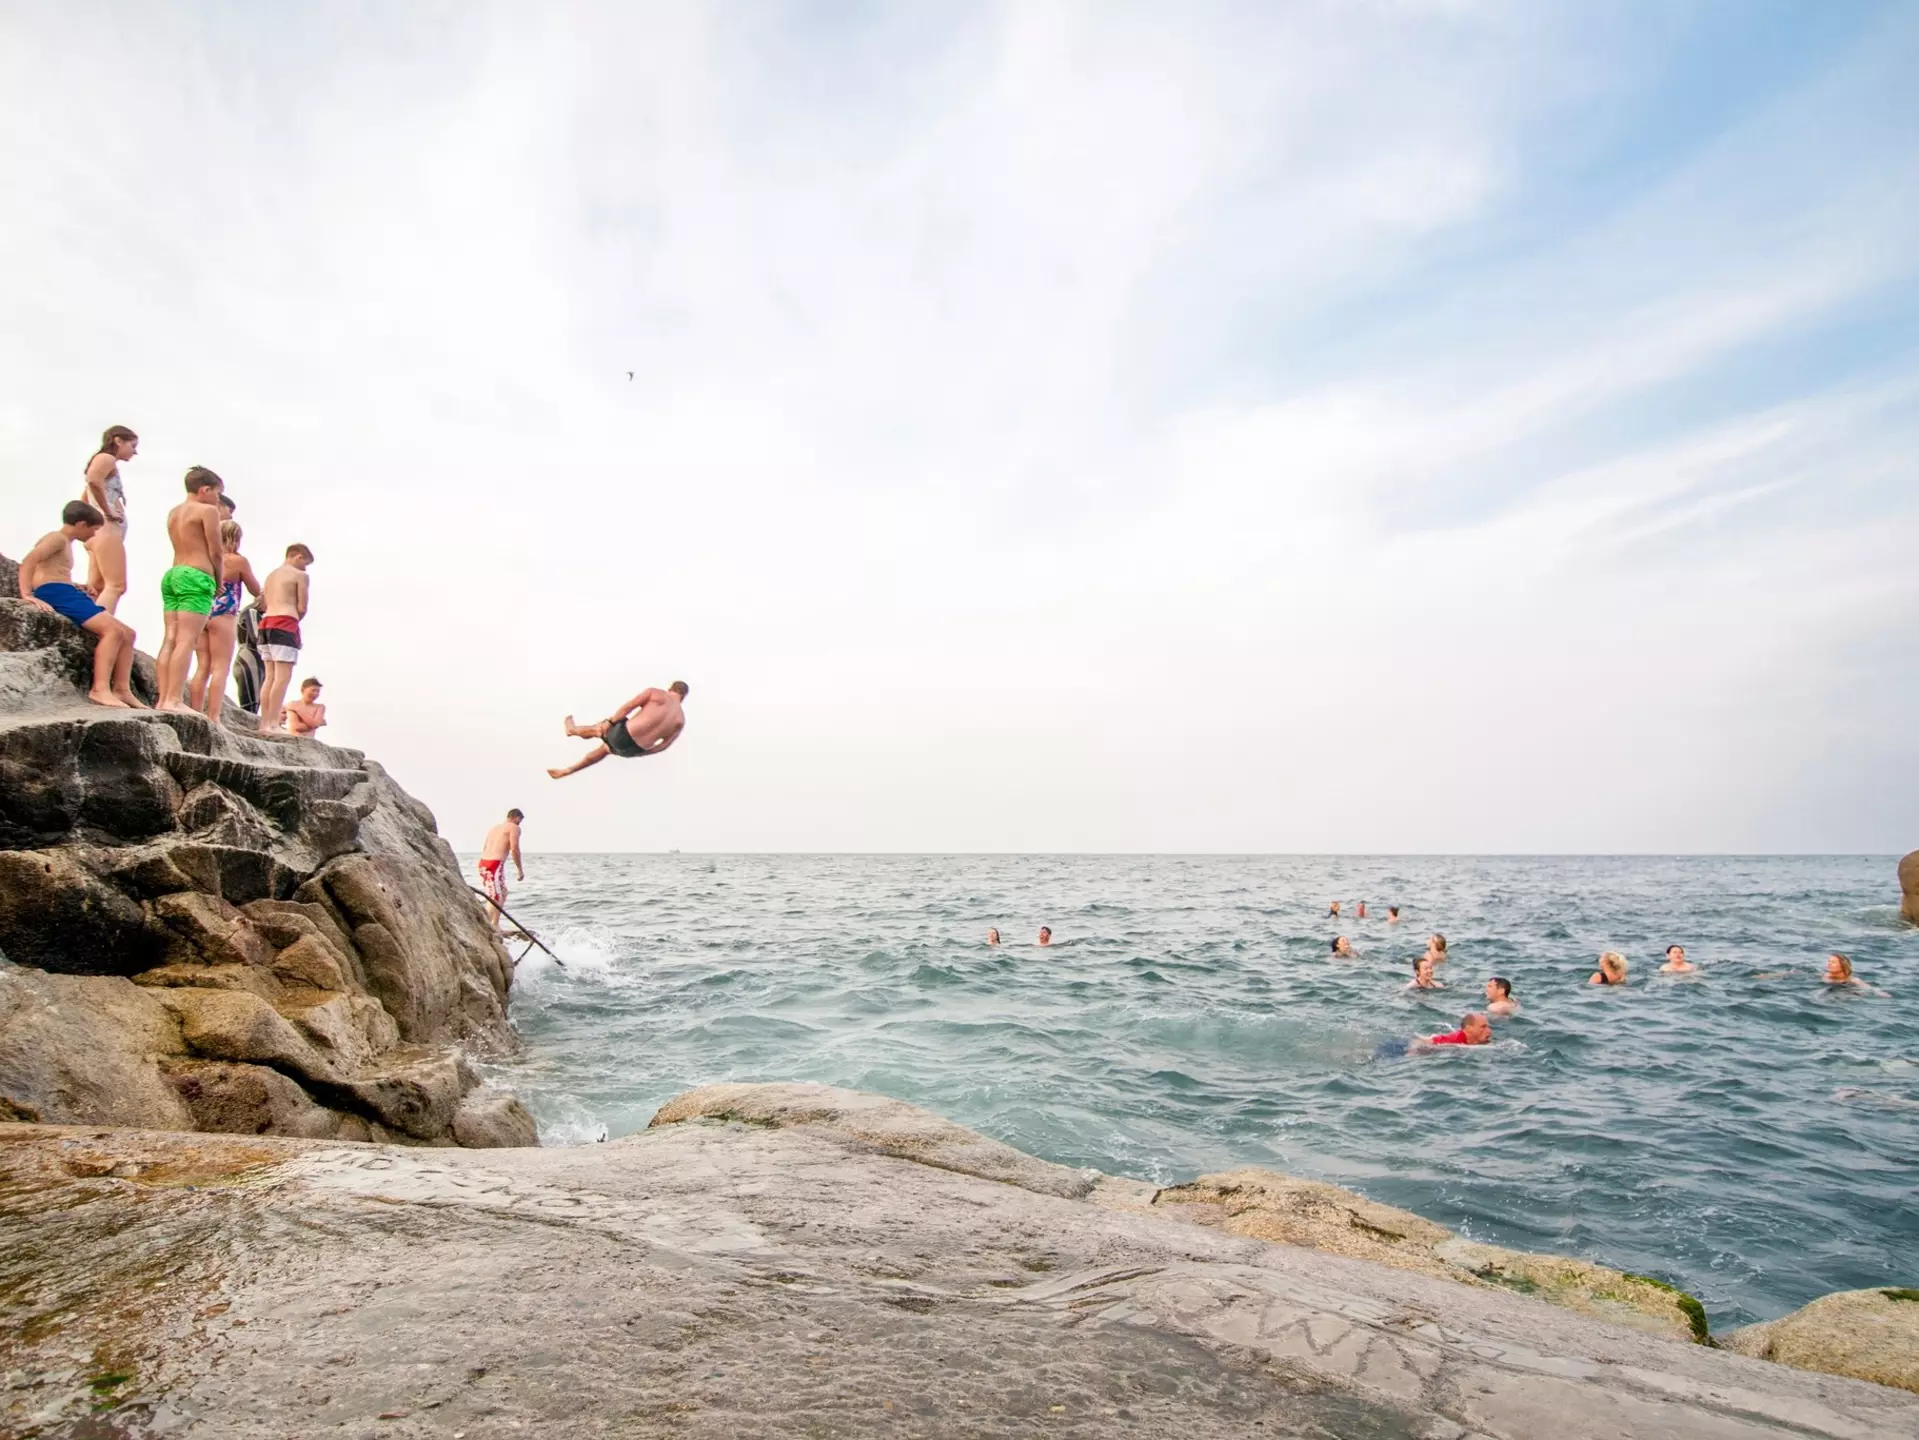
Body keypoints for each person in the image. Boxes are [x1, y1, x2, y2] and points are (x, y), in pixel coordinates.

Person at [18, 501, 141, 707]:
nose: (94, 535)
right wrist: (27, 594)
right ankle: (99, 689)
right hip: (56, 593)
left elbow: (50, 571)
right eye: (94, 529)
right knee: (112, 631)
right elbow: (29, 560)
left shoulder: (64, 542)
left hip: (64, 590)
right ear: (82, 524)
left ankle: (121, 690)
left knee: (128, 634)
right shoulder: (57, 538)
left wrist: (76, 586)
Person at [153, 467, 225, 713]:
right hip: (196, 575)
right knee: (187, 639)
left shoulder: (174, 512)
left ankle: (163, 698)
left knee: (170, 638)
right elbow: (216, 550)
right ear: (205, 490)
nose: (218, 499)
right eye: (217, 493)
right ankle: (173, 699)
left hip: (173, 574)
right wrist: (219, 579)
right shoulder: (208, 511)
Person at [188, 519, 263, 724]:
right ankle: (213, 716)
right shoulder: (237, 561)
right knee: (220, 667)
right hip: (224, 615)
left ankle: (194, 712)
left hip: (201, 612)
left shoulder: (204, 558)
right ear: (235, 539)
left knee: (202, 667)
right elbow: (255, 590)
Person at [548, 681, 689, 778]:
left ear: (670, 688)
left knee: (599, 729)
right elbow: (665, 745)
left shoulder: (657, 693)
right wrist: (644, 753)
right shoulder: (680, 720)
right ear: (683, 697)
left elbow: (628, 707)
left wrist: (610, 722)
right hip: (633, 750)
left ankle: (572, 730)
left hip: (624, 735)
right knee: (604, 750)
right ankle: (568, 771)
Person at [79, 425, 138, 616]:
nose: (134, 451)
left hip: (103, 528)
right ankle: (101, 624)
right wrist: (107, 511)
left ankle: (87, 625)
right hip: (107, 527)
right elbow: (93, 481)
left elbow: (86, 496)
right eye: (132, 445)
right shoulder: (106, 458)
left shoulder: (106, 461)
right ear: (118, 440)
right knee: (116, 585)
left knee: (96, 586)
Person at [256, 544, 314, 734]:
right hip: (285, 622)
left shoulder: (271, 576)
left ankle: (265, 722)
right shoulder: (300, 576)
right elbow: (302, 607)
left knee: (269, 676)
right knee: (282, 677)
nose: (305, 568)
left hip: (266, 624)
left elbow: (263, 603)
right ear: (297, 556)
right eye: (305, 563)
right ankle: (273, 723)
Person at [477, 809, 525, 929]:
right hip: (494, 863)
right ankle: (488, 925)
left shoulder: (494, 828)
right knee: (496, 896)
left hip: (484, 862)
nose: (520, 823)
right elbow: (514, 849)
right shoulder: (514, 828)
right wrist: (519, 869)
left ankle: (494, 923)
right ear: (517, 818)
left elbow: (485, 846)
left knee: (502, 892)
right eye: (520, 820)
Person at [1415, 1013, 1493, 1048]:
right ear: (1469, 1028)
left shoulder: (1482, 1040)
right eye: (1483, 1027)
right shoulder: (1455, 1039)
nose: (1489, 1031)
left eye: (1488, 1027)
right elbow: (1420, 1042)